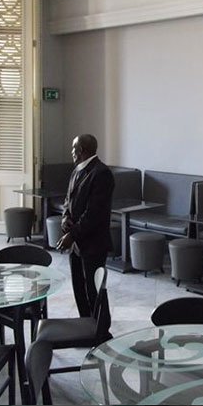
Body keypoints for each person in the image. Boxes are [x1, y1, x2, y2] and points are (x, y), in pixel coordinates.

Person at [57, 134, 114, 323]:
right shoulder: (76, 170)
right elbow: (68, 199)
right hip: (76, 243)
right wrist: (65, 217)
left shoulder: (101, 173)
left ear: (81, 150)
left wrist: (72, 235)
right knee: (79, 288)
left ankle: (101, 331)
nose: (71, 152)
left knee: (94, 289)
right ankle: (85, 326)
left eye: (73, 148)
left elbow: (94, 214)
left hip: (93, 243)